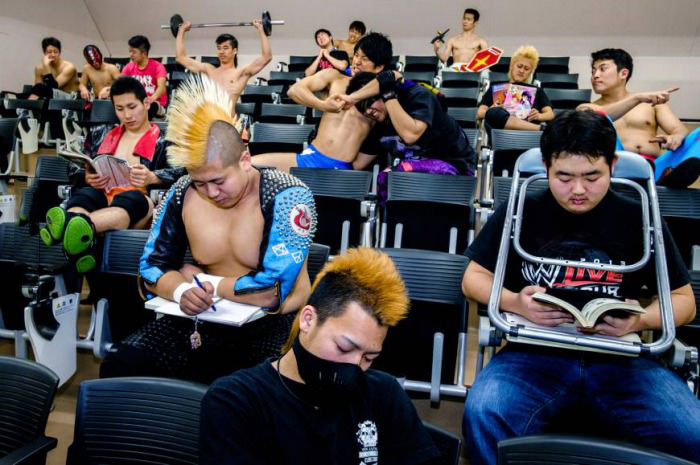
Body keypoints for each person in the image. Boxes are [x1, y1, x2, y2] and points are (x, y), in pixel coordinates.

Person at [461, 110, 700, 465]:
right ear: (545, 166)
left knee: (692, 434)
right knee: (484, 414)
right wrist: (515, 302)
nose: (577, 190)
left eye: (592, 176)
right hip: (534, 354)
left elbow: (684, 302)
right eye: (564, 176)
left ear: (613, 164)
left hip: (620, 357)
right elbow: (472, 277)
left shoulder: (639, 215)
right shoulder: (523, 208)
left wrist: (639, 321)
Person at [99, 74, 317, 383]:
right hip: (202, 319)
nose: (210, 192)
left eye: (218, 181)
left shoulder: (288, 195)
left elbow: (272, 291)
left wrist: (203, 281)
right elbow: (150, 268)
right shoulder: (182, 191)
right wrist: (181, 289)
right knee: (122, 363)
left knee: (247, 394)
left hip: (272, 324)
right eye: (200, 182)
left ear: (244, 160)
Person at [200, 247, 441, 465]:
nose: (355, 366)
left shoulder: (384, 395)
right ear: (308, 320)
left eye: (369, 357)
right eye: (344, 348)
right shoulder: (236, 402)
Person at [39, 77, 182, 273]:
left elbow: (182, 172)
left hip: (140, 203)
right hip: (102, 195)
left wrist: (153, 177)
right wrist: (86, 176)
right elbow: (75, 164)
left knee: (132, 199)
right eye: (120, 109)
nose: (127, 115)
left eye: (132, 107)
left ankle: (73, 225)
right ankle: (79, 234)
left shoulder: (164, 140)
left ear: (146, 103)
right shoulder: (103, 133)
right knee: (85, 196)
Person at [251, 32, 394, 172]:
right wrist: (323, 105)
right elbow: (294, 90)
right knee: (249, 165)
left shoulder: (384, 96)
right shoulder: (335, 77)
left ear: (379, 67)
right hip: (310, 157)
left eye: (365, 58)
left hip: (341, 167)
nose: (356, 62)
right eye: (356, 55)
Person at [584, 48, 700, 187]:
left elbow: (679, 130)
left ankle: (670, 178)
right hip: (615, 167)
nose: (595, 75)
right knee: (598, 118)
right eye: (593, 71)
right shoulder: (588, 108)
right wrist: (637, 98)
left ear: (623, 73)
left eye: (602, 69)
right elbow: (600, 115)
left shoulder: (653, 105)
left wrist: (675, 137)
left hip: (654, 168)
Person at [340, 70, 477, 179]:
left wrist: (388, 95)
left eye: (369, 103)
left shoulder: (418, 96)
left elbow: (410, 135)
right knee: (386, 179)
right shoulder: (379, 125)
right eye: (362, 108)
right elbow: (357, 164)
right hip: (416, 175)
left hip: (456, 167)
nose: (368, 111)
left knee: (393, 174)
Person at [175, 19, 271, 105]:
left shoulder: (241, 73)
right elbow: (181, 58)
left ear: (235, 51)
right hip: (209, 122)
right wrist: (181, 31)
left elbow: (266, 57)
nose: (221, 52)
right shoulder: (209, 70)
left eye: (225, 48)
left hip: (228, 122)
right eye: (219, 48)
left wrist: (261, 30)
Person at [477, 45, 554, 132]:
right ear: (512, 66)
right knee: (493, 113)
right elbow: (480, 113)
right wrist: (493, 109)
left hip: (527, 136)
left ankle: (536, 128)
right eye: (519, 66)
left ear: (530, 72)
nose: (521, 71)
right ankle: (541, 129)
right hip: (501, 135)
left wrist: (539, 116)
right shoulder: (496, 87)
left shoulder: (537, 91)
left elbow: (550, 114)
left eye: (526, 69)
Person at [121, 35, 168, 118]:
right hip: (134, 104)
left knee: (146, 106)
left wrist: (152, 98)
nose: (130, 55)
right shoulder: (128, 67)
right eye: (130, 51)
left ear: (144, 53)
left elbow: (162, 88)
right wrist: (107, 90)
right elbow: (119, 85)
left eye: (134, 52)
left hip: (155, 104)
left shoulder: (158, 67)